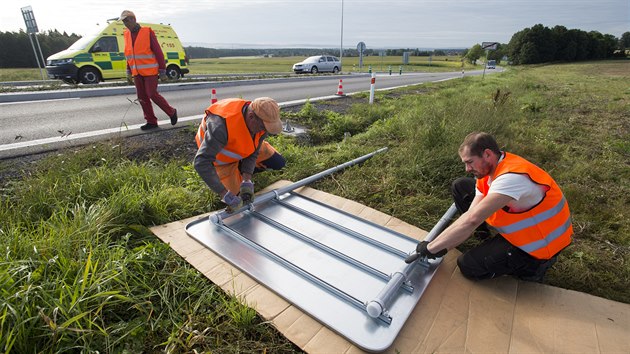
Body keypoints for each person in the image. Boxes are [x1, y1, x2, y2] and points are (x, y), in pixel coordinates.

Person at [406, 132, 573, 282]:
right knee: (461, 186)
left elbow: (471, 220)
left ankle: (533, 268)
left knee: (468, 266)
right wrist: (441, 244)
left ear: (487, 154)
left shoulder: (512, 178)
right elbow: (472, 214)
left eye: (470, 162)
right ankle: (485, 238)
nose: (467, 168)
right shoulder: (490, 169)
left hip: (539, 245)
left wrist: (431, 248)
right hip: (523, 231)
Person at [194, 97, 286, 211]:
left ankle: (241, 170)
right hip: (221, 159)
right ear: (251, 116)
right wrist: (223, 193)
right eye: (263, 127)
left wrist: (246, 179)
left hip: (244, 146)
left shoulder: (260, 123)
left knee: (278, 162)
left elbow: (254, 151)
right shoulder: (220, 127)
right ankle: (234, 172)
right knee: (237, 201)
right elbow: (201, 162)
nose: (264, 131)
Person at [120, 10, 178, 131]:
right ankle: (151, 121)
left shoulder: (147, 32)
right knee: (142, 97)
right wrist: (128, 71)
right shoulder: (126, 34)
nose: (125, 23)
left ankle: (171, 112)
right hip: (136, 72)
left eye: (127, 20)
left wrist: (162, 70)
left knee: (152, 94)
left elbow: (158, 52)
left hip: (150, 71)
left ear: (134, 19)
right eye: (123, 21)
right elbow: (129, 54)